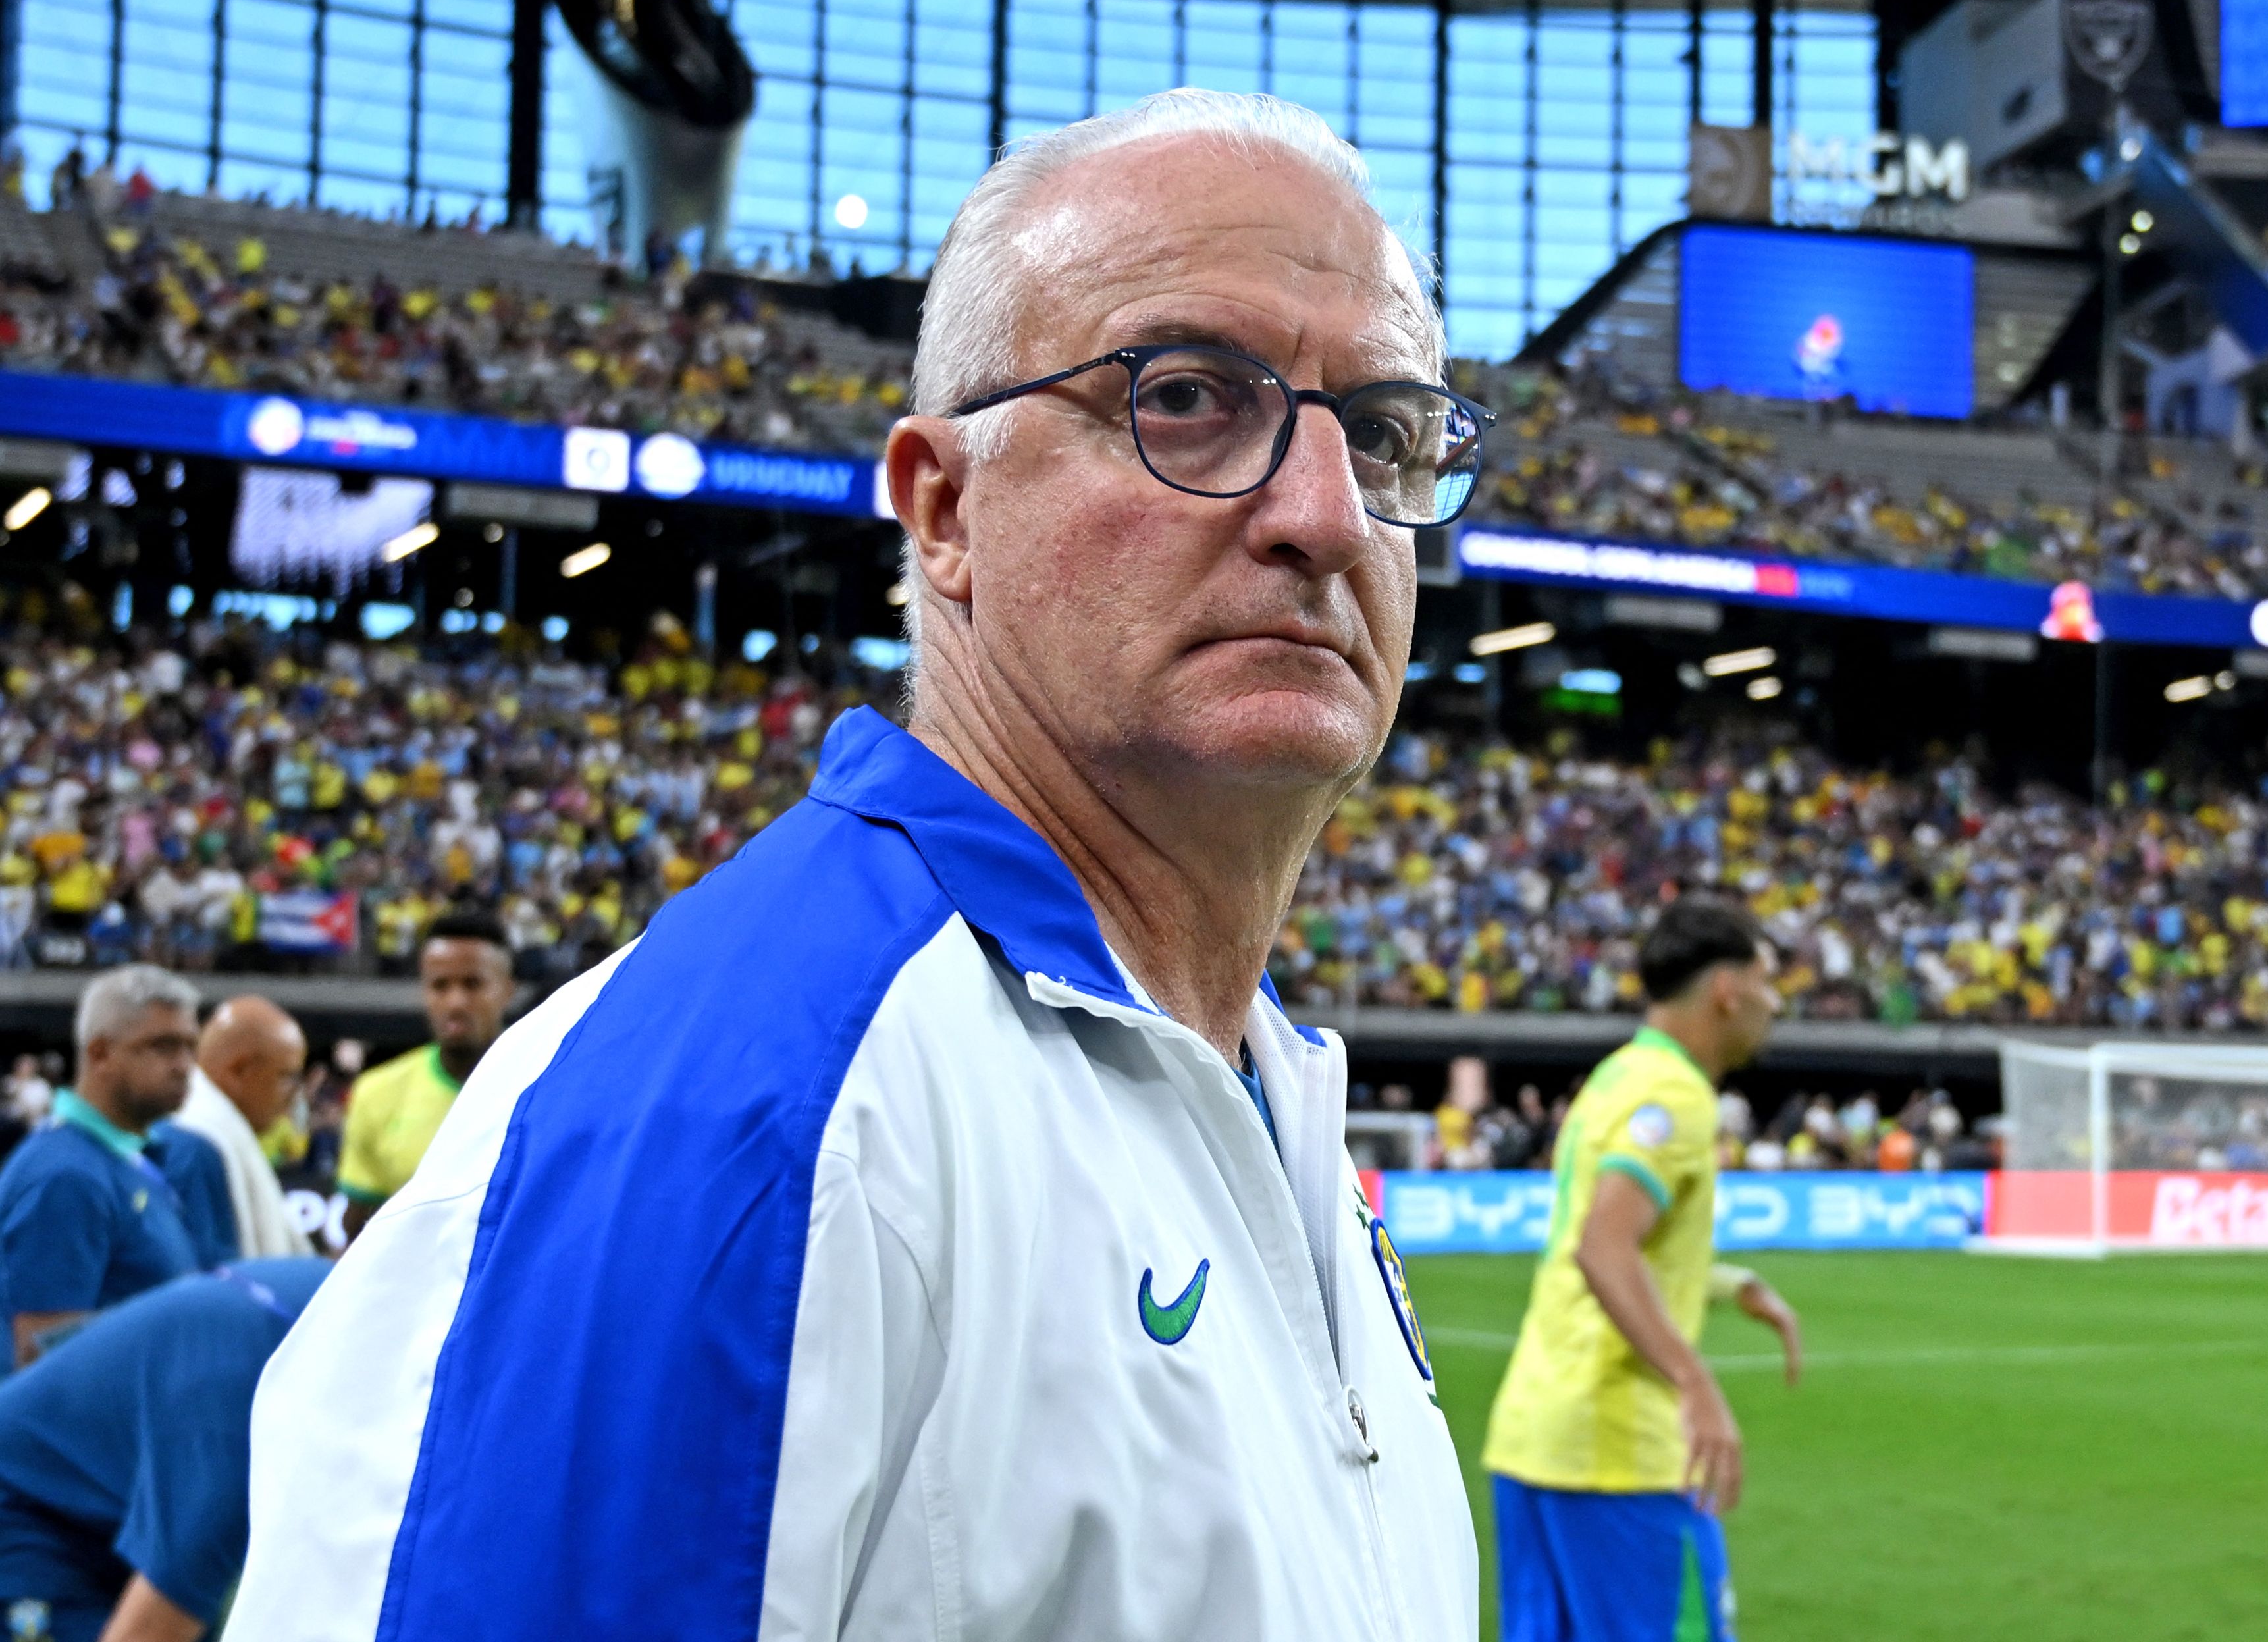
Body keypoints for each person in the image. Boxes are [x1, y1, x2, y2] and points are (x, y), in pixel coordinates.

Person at [234, 88, 1489, 1640]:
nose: (1319, 512)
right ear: (943, 506)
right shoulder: (755, 1108)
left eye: (1381, 433)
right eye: (1184, 396)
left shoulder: (1258, 1082)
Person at [1482, 895, 1805, 1642]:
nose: (1774, 1001)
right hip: (1621, 1455)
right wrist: (1695, 1381)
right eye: (1767, 979)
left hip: (1535, 1440)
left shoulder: (1614, 1078)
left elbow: (1589, 1238)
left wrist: (1729, 1284)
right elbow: (1604, 1244)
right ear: (1727, 988)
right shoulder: (1678, 1096)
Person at [0, 1258, 331, 1642]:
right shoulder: (234, 1436)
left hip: (111, 1508)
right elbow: (150, 1631)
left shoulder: (335, 1307)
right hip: (27, 1516)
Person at [0, 967, 233, 1369]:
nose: (184, 1065)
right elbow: (41, 1351)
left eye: (190, 1047)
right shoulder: (66, 1177)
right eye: (164, 1046)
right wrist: (184, 1326)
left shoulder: (130, 1161)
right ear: (100, 1053)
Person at [334, 912, 512, 1241]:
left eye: (473, 984)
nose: (456, 1002)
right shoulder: (376, 1092)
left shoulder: (550, 1087)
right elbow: (357, 1232)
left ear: (508, 990)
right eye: (440, 986)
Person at [172, 997, 313, 1259]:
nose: (294, 1096)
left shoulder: (209, 1129)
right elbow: (212, 1285)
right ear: (239, 1071)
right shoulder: (196, 1146)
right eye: (287, 1076)